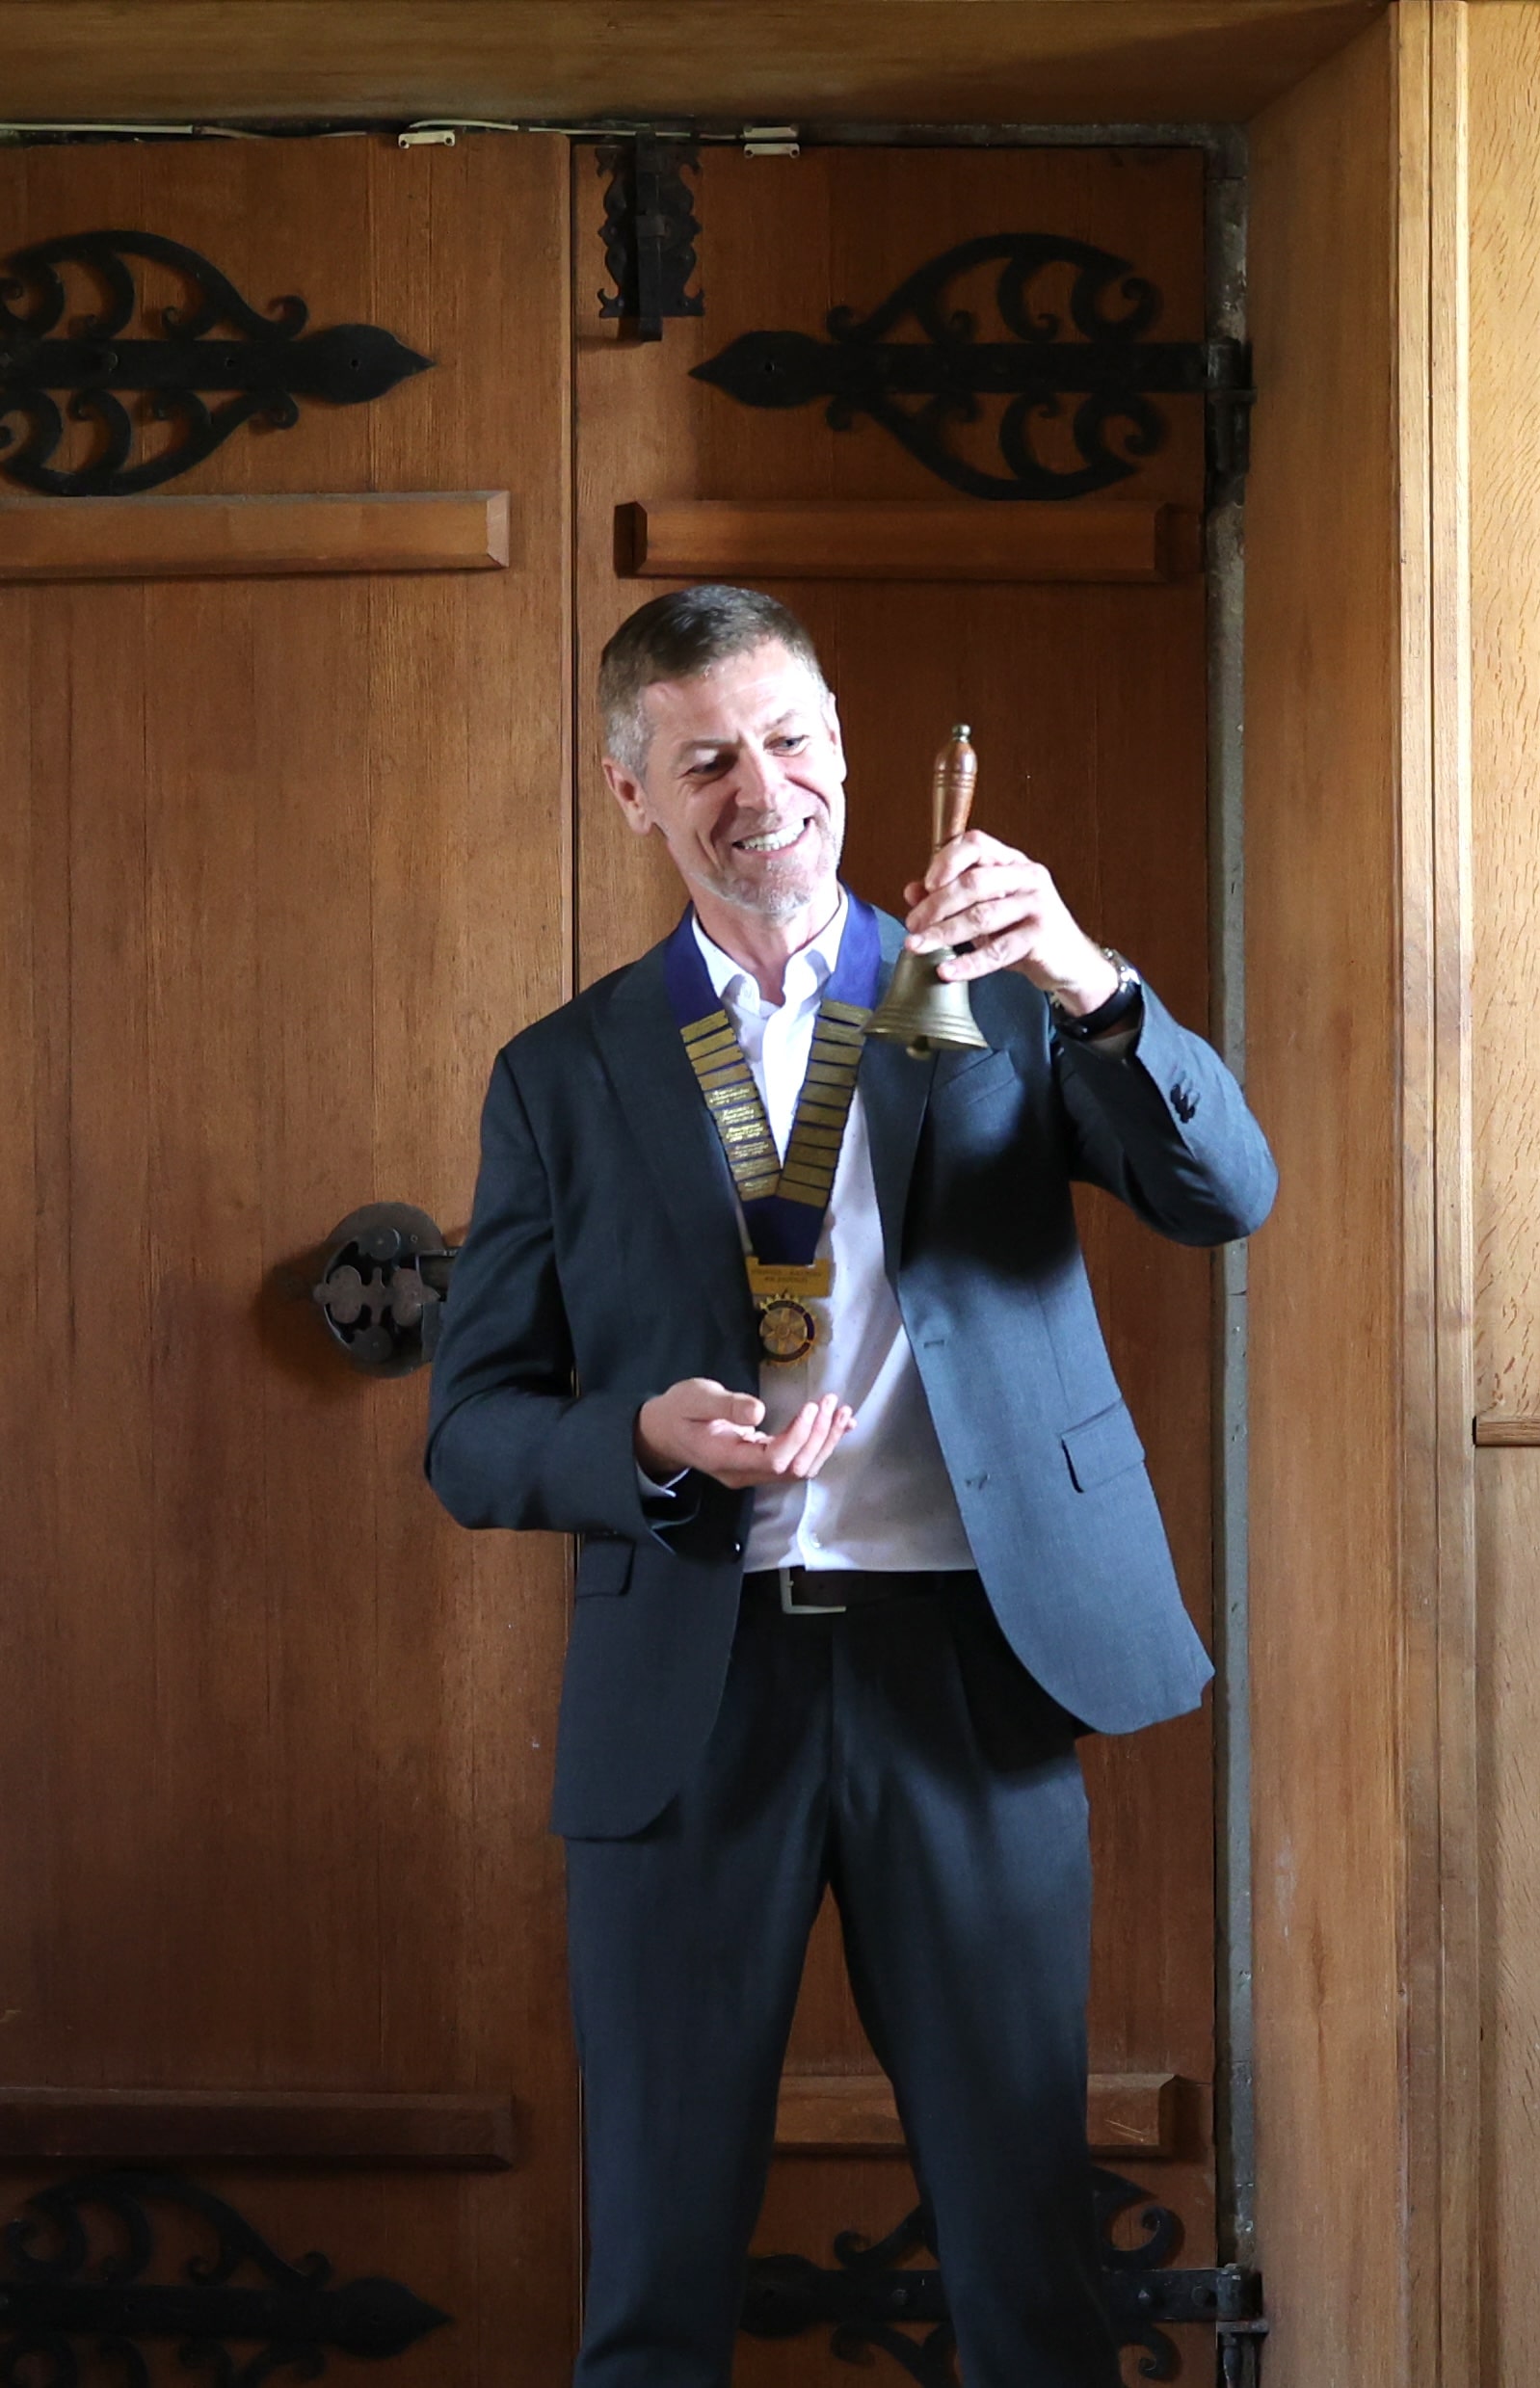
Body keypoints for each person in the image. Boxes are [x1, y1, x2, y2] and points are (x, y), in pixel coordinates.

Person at [425, 584, 1276, 2388]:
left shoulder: (1010, 998)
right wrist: (639, 1440)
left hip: (964, 1672)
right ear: (630, 792)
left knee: (1032, 2270)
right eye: (706, 760)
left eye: (791, 739)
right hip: (692, 1694)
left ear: (842, 743)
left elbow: (1227, 1193)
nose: (765, 790)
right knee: (654, 2278)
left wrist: (1087, 973)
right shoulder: (560, 1073)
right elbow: (473, 1429)